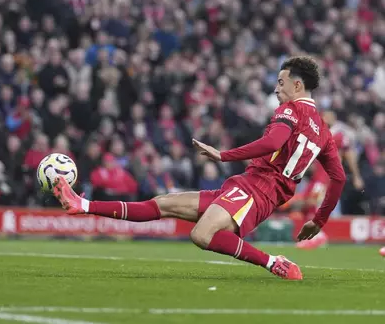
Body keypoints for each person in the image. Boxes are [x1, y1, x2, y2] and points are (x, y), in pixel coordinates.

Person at [52, 56, 346, 280]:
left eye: (281, 83)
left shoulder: (289, 110)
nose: (276, 88)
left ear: (297, 85)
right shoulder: (323, 131)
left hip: (256, 189)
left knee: (201, 235)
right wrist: (318, 221)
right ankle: (82, 204)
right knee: (164, 204)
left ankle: (273, 262)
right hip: (251, 188)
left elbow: (273, 142)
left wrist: (223, 155)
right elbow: (339, 178)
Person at [296, 110, 364, 250]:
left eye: (327, 116)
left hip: (326, 174)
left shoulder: (339, 134)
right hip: (316, 174)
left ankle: (319, 236)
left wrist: (356, 176)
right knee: (306, 203)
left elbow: (349, 155)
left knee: (315, 202)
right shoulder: (318, 132)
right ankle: (311, 235)